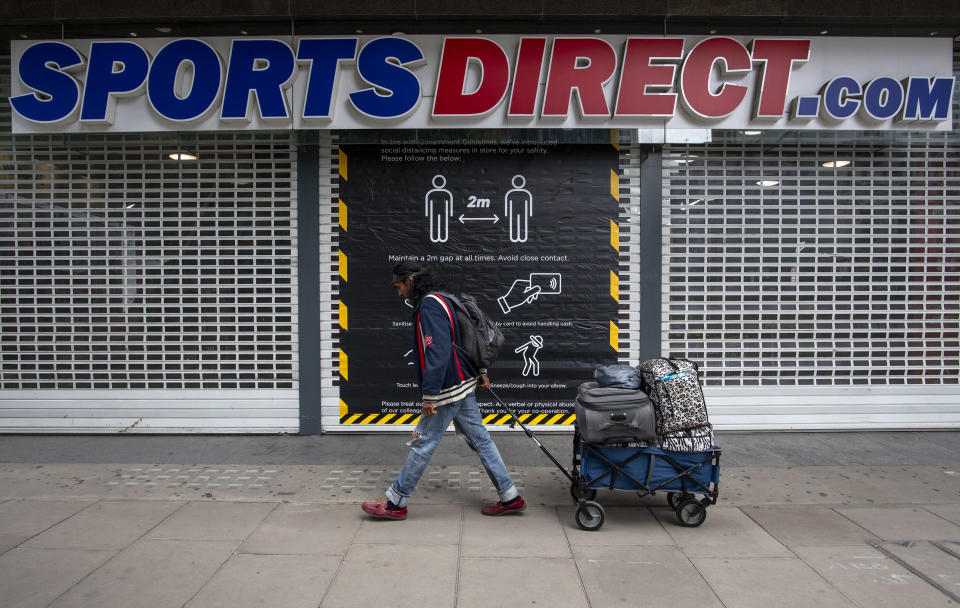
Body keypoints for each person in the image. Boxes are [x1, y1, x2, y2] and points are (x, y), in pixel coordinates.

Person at [361, 261, 526, 520]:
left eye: (399, 286)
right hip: (464, 382)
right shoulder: (445, 299)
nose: (398, 292)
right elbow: (468, 337)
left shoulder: (428, 305)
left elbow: (436, 351)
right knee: (481, 440)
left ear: (410, 281)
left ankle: (396, 502)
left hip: (448, 387)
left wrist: (430, 395)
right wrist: (481, 371)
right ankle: (510, 496)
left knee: (422, 442)